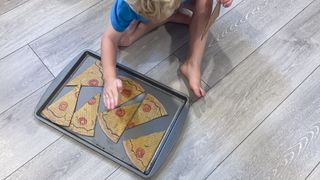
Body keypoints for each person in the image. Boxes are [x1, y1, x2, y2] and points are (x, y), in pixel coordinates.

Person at [101, 0, 233, 110]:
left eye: (167, 13)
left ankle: (192, 63)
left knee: (205, 4)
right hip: (153, 8)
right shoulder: (126, 5)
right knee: (124, 39)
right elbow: (109, 38)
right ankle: (168, 17)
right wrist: (109, 78)